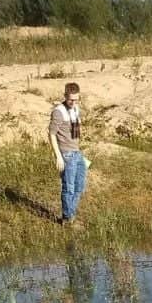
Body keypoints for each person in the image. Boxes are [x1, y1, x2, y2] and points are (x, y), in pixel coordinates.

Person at [48, 83, 89, 228]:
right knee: (69, 188)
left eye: (76, 99)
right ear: (65, 96)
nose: (73, 102)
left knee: (79, 186)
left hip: (77, 153)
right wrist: (58, 156)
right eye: (71, 99)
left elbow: (75, 133)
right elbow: (51, 134)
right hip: (66, 154)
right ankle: (67, 219)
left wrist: (80, 151)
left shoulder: (75, 108)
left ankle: (71, 214)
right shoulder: (58, 112)